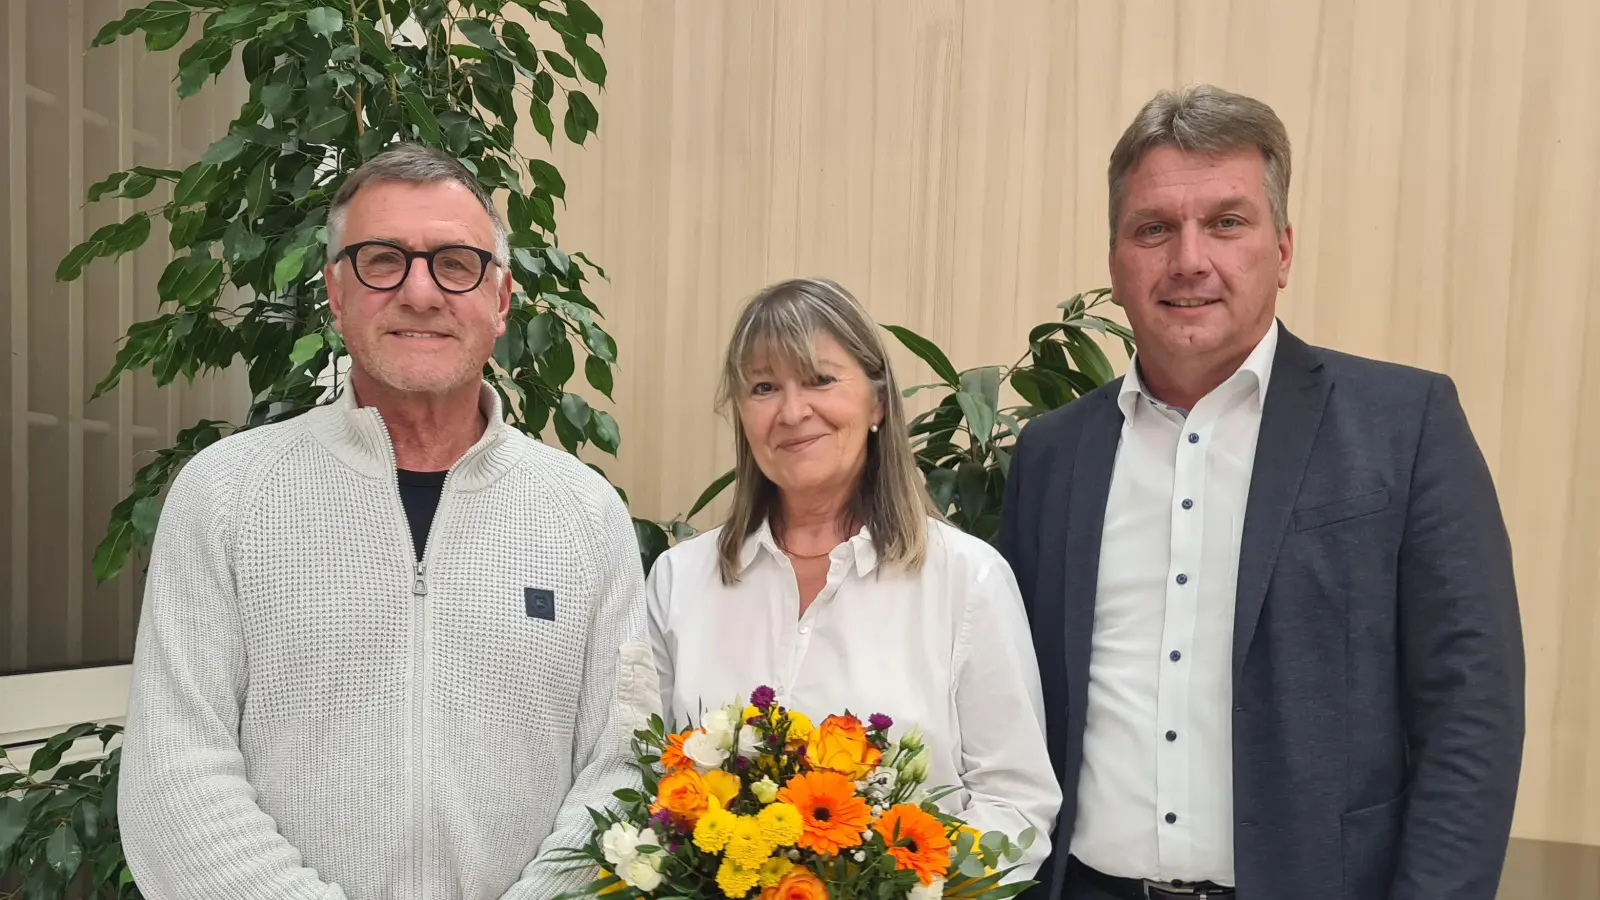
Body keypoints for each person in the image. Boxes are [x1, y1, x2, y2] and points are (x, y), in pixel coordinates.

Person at [999, 85, 1524, 900]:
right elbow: (1014, 709)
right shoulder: (1051, 455)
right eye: (1153, 229)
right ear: (1114, 262)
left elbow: (1471, 713)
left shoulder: (1404, 424)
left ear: (1282, 250)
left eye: (1226, 222)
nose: (1189, 259)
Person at [118, 142, 659, 900]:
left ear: (501, 299)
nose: (420, 292)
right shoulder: (226, 495)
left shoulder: (586, 514)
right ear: (336, 293)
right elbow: (175, 778)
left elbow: (623, 768)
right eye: (383, 260)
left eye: (456, 263)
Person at [646, 278, 1061, 879]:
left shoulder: (967, 580)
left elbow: (1014, 805)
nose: (792, 412)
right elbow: (644, 782)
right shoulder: (679, 580)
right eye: (764, 387)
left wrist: (906, 887)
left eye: (820, 379)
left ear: (878, 402)